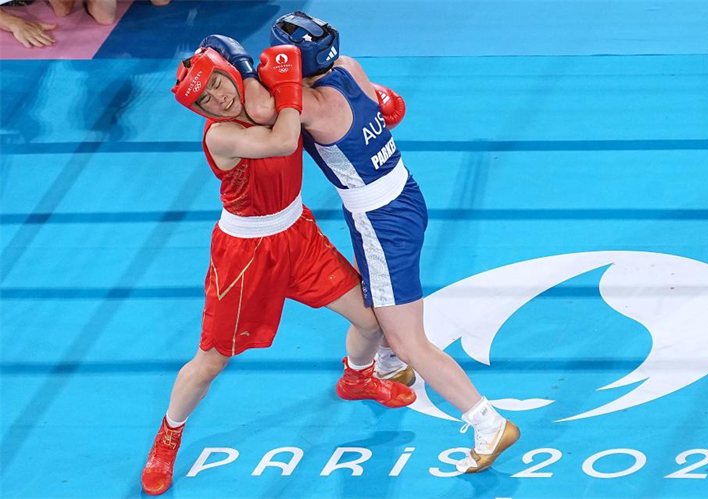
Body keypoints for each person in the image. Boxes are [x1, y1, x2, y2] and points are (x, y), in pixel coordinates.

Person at [203, 13, 519, 474]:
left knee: (408, 339)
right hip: (403, 194)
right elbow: (383, 105)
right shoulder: (349, 66)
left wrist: (245, 67)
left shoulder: (308, 105)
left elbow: (261, 113)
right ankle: (381, 368)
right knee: (382, 312)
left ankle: (487, 423)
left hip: (381, 224)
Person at [141, 45, 415, 496]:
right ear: (198, 111)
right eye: (205, 99)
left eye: (218, 84)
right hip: (244, 255)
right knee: (212, 360)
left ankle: (357, 376)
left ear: (231, 75)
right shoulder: (220, 136)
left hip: (298, 235)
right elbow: (284, 140)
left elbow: (317, 97)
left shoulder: (262, 99)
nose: (218, 98)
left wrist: (369, 102)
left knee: (372, 317)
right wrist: (281, 81)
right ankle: (168, 435)